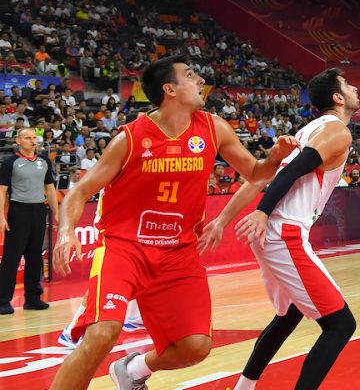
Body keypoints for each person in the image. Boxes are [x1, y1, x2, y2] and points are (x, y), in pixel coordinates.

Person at [49, 56, 296, 390]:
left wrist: (275, 158)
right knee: (103, 332)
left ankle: (133, 369)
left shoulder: (214, 128)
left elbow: (255, 173)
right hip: (126, 248)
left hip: (178, 253)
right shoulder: (130, 139)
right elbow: (80, 191)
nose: (199, 80)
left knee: (196, 347)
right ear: (170, 90)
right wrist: (66, 230)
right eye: (190, 75)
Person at [200, 68, 360, 390]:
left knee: (289, 315)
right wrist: (261, 211)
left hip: (272, 232)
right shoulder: (337, 132)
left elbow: (260, 177)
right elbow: (296, 169)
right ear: (338, 97)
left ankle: (243, 387)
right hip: (284, 233)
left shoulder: (306, 131)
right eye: (348, 85)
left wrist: (222, 219)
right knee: (341, 324)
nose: (355, 87)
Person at [0, 126, 60, 314]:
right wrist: (1, 217)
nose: (33, 141)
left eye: (34, 138)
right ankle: (2, 300)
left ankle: (33, 298)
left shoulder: (43, 161)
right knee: (12, 257)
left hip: (39, 210)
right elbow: (2, 191)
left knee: (35, 255)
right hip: (19, 211)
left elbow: (50, 189)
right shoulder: (11, 163)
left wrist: (57, 213)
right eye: (27, 138)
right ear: (18, 141)